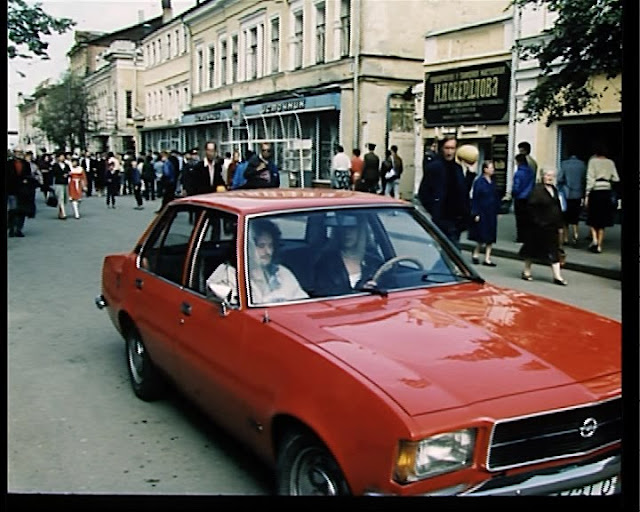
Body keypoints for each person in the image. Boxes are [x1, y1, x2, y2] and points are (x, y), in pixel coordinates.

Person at [417, 136, 469, 247]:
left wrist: (471, 174)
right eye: (447, 148)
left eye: (452, 148)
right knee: (452, 256)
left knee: (448, 257)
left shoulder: (458, 168)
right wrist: (435, 210)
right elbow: (423, 193)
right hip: (443, 219)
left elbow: (463, 192)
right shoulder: (434, 167)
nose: (449, 152)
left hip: (457, 221)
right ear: (442, 149)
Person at [312, 215, 384, 297]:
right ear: (337, 232)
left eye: (352, 228)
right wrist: (359, 290)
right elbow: (323, 294)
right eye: (343, 229)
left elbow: (390, 284)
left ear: (360, 231)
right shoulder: (326, 262)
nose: (347, 233)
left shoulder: (373, 261)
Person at [519, 168, 567, 285]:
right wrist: (538, 221)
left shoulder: (554, 190)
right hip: (538, 227)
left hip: (552, 226)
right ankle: (526, 271)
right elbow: (530, 208)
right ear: (542, 176)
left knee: (554, 251)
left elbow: (558, 207)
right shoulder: (537, 190)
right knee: (532, 249)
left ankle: (557, 276)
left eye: (552, 176)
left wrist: (560, 224)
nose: (550, 178)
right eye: (547, 175)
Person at [245, 219, 308, 304]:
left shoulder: (282, 273)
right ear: (248, 247)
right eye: (261, 246)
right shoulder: (229, 274)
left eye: (270, 246)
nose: (268, 252)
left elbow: (304, 303)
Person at [584, 146, 620, 253]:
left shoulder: (593, 161)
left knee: (592, 217)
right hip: (606, 191)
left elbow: (589, 177)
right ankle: (599, 245)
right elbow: (616, 178)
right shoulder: (610, 162)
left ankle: (594, 239)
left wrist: (587, 193)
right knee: (603, 220)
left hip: (595, 191)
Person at [468, 161, 500, 266]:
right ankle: (476, 253)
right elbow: (475, 198)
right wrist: (475, 213)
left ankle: (487, 258)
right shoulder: (479, 182)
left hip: (491, 212)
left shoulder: (493, 181)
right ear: (485, 169)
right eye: (490, 168)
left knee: (490, 236)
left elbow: (496, 196)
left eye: (493, 168)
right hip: (482, 211)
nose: (492, 170)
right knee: (481, 235)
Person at [7, 148, 38, 237]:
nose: (18, 154)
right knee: (13, 209)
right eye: (17, 152)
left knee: (22, 210)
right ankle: (11, 228)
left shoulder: (26, 164)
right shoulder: (9, 164)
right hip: (11, 190)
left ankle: (19, 229)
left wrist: (27, 181)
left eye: (20, 152)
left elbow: (29, 175)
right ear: (14, 153)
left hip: (23, 191)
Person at [557, 153, 587, 245]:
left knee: (565, 217)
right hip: (578, 193)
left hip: (567, 193)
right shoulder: (582, 165)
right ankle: (576, 234)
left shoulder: (564, 164)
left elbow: (560, 178)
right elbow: (584, 179)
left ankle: (566, 238)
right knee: (575, 216)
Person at [511, 153, 535, 243]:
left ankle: (521, 238)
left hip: (520, 198)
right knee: (527, 219)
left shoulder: (518, 173)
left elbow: (516, 187)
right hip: (529, 197)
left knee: (520, 219)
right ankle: (528, 237)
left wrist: (513, 193)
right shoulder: (531, 171)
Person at [51, 151, 71, 219]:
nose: (62, 158)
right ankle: (63, 213)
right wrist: (62, 175)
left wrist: (67, 174)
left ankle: (60, 212)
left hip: (65, 183)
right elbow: (54, 173)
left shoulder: (66, 165)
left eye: (63, 156)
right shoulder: (55, 165)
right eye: (61, 156)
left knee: (65, 198)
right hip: (58, 183)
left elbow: (69, 172)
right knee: (60, 197)